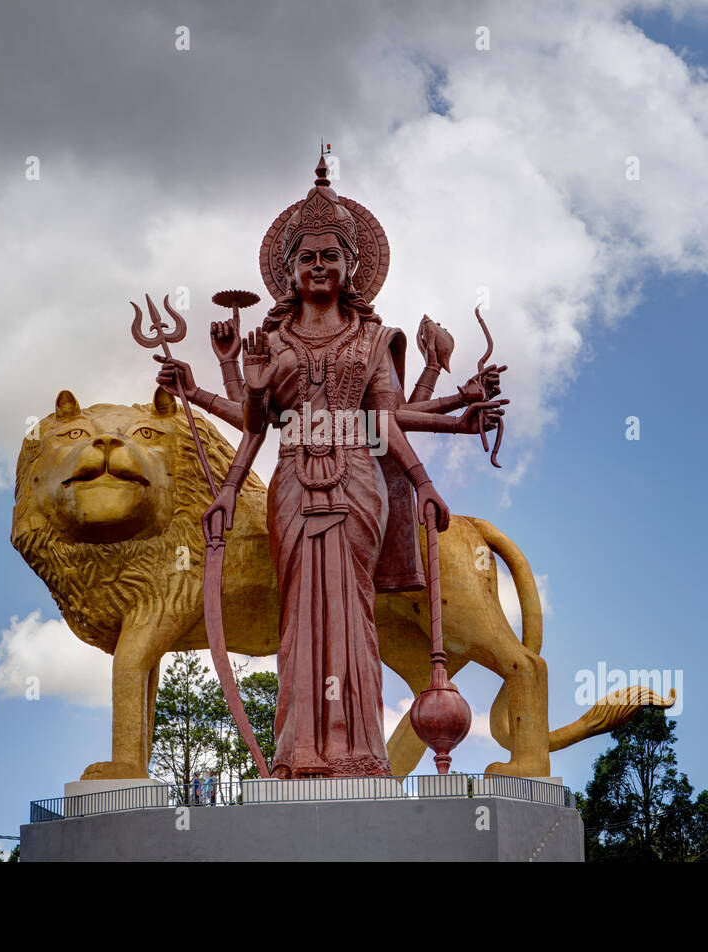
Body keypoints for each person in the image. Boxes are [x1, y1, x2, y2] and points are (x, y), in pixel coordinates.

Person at [160, 155, 503, 779]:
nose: (318, 266)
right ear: (289, 272)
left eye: (329, 256)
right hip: (292, 479)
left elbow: (387, 421)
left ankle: (358, 753)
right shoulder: (277, 340)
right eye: (306, 258)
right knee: (300, 617)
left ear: (350, 269)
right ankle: (298, 754)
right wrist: (227, 469)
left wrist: (425, 479)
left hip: (356, 481)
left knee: (352, 611)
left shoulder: (372, 341)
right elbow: (258, 419)